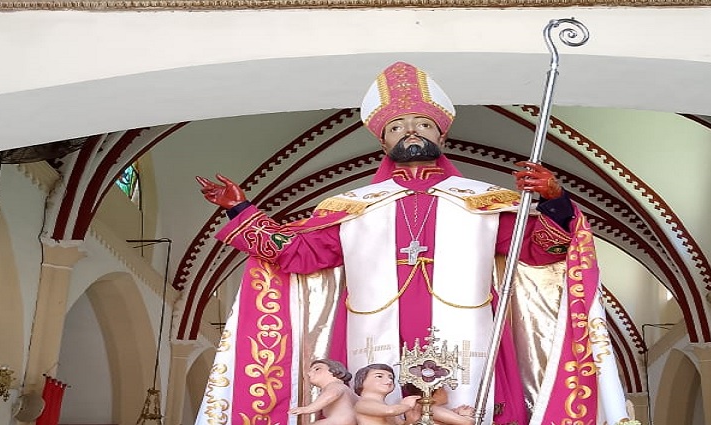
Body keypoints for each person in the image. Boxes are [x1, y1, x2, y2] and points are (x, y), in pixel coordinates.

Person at [194, 62, 630, 425]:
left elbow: (544, 249)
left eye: (423, 124)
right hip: (374, 333)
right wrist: (241, 211)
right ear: (382, 141)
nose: (411, 132)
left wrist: (554, 201)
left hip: (470, 332)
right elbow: (295, 253)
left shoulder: (486, 201)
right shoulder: (353, 206)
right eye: (398, 126)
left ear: (442, 136)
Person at [289, 359, 358, 425]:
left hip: (339, 420)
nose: (309, 374)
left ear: (333, 371)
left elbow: (332, 394)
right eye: (310, 371)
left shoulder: (334, 385)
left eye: (317, 369)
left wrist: (307, 409)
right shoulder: (347, 390)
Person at [353, 364, 419, 425]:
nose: (389, 380)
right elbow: (390, 411)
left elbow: (401, 423)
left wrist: (411, 419)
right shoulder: (363, 404)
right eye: (379, 376)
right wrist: (406, 405)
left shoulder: (388, 407)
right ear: (362, 381)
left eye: (391, 378)